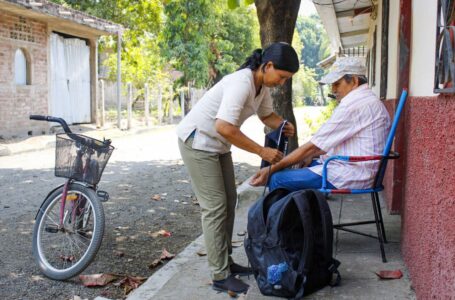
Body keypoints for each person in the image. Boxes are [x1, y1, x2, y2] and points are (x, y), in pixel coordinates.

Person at [176, 42, 299, 294]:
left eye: (287, 80)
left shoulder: (261, 85)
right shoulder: (241, 83)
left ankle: (226, 262)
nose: (282, 83)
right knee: (215, 207)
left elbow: (267, 117)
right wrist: (261, 151)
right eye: (282, 77)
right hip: (198, 140)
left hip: (217, 145)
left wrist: (282, 123)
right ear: (268, 66)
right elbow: (224, 126)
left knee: (230, 201)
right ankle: (219, 275)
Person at [250, 56, 391, 192]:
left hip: (353, 173)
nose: (333, 90)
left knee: (277, 179)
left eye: (337, 84)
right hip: (361, 169)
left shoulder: (352, 105)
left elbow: (312, 146)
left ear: (353, 81)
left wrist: (271, 169)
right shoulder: (367, 99)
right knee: (304, 163)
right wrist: (311, 154)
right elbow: (323, 143)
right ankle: (307, 213)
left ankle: (285, 216)